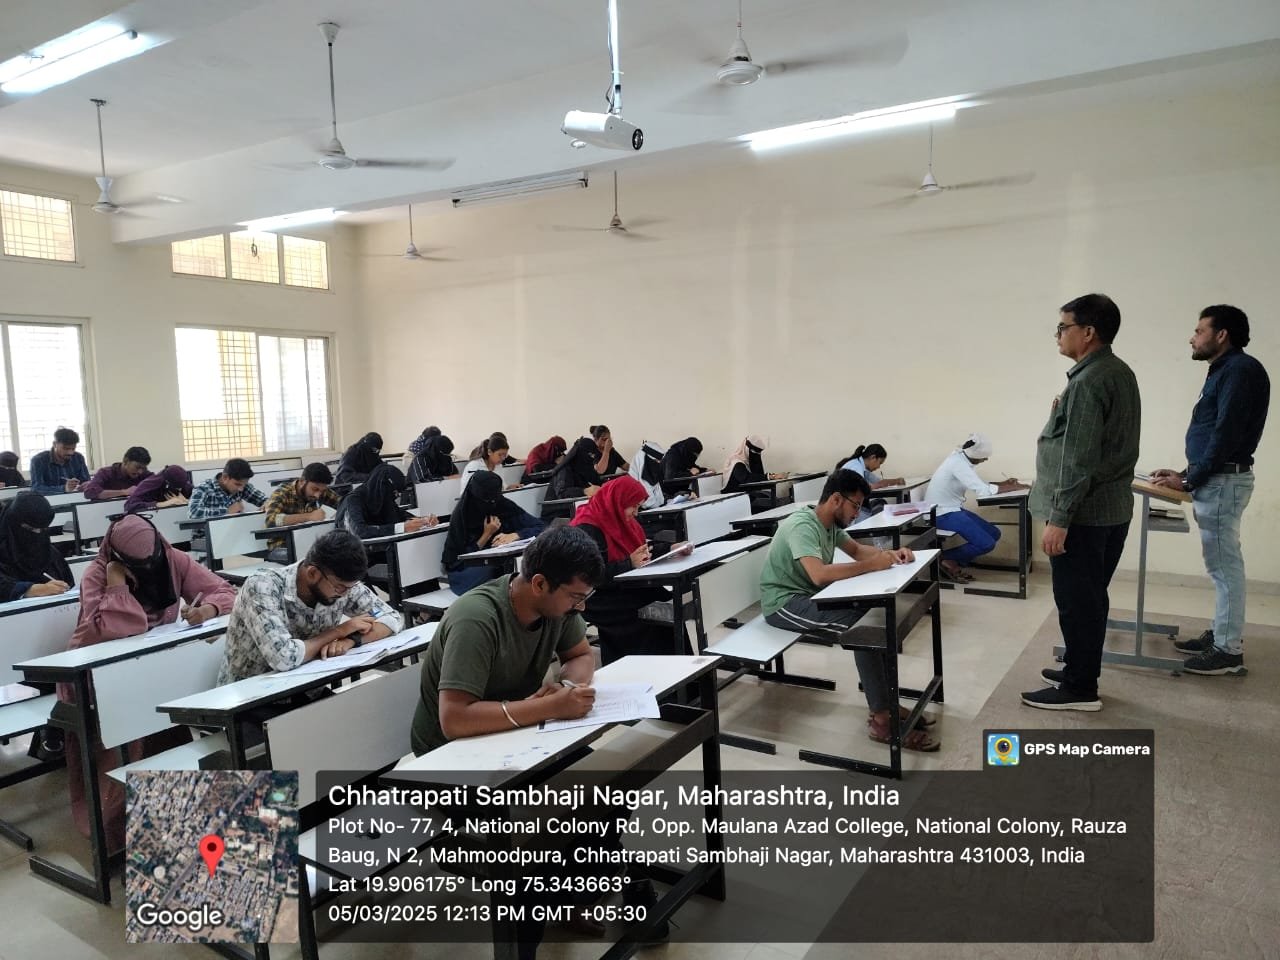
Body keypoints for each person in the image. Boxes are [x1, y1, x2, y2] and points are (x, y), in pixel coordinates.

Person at [410, 526, 662, 951]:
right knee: (536, 840)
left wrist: (565, 687)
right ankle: (536, 927)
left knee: (608, 790)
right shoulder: (478, 618)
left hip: (515, 737)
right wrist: (547, 708)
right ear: (540, 583)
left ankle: (576, 894)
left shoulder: (554, 608)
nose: (579, 607)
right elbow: (454, 720)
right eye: (575, 597)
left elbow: (580, 655)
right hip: (449, 761)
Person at [56, 514, 236, 849]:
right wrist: (117, 585)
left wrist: (209, 609)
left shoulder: (171, 559)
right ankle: (116, 830)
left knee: (170, 733)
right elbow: (108, 630)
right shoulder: (97, 573)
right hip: (95, 678)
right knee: (121, 753)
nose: (151, 566)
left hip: (153, 670)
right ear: (118, 556)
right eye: (139, 563)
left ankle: (173, 809)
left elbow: (224, 590)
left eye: (152, 557)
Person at [760, 469, 936, 750]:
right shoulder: (803, 526)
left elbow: (856, 550)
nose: (857, 513)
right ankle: (881, 718)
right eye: (855, 505)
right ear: (836, 500)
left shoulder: (829, 524)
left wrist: (891, 555)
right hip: (784, 603)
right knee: (863, 630)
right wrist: (872, 565)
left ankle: (886, 704)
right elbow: (819, 575)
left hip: (810, 596)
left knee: (874, 618)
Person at [1023, 293, 1141, 712]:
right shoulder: (1116, 372)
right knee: (1090, 599)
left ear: (1088, 332)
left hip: (1084, 517)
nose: (1057, 334)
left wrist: (1059, 519)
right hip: (1109, 511)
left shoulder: (1089, 382)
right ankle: (1078, 668)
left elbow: (1077, 460)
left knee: (1078, 603)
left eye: (1063, 327)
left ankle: (1079, 688)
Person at [1149, 304, 1269, 676]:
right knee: (1221, 565)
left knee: (1224, 567)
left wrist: (1189, 481)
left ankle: (1228, 650)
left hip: (1223, 482)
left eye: (1199, 330)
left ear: (1221, 335)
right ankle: (1221, 633)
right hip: (1218, 479)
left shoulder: (1240, 371)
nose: (1192, 338)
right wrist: (1186, 472)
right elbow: (1214, 434)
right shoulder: (1225, 370)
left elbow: (1226, 434)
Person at [217, 530, 403, 686]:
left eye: (350, 587)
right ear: (313, 573)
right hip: (251, 696)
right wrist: (339, 631)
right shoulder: (263, 586)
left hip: (306, 689)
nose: (345, 594)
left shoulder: (341, 584)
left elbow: (392, 618)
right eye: (340, 587)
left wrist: (351, 640)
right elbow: (285, 658)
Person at [570, 476, 671, 663]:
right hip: (594, 597)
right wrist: (629, 564)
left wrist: (671, 548)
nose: (636, 513)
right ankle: (638, 670)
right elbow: (590, 576)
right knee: (645, 612)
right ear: (618, 501)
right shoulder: (588, 527)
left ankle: (679, 672)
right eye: (633, 506)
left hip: (619, 585)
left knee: (663, 600)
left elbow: (641, 550)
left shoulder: (622, 518)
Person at [923, 434, 1027, 582]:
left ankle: (951, 561)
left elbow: (979, 484)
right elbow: (983, 491)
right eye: (984, 457)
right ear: (975, 455)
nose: (985, 460)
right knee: (986, 543)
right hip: (939, 514)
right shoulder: (957, 463)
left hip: (952, 510)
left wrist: (1005, 484)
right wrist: (1016, 487)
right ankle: (943, 559)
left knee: (994, 533)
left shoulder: (961, 459)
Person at [443, 472, 545, 596]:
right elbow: (457, 560)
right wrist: (487, 534)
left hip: (500, 563)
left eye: (494, 499)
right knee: (498, 568)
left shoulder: (503, 505)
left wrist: (516, 535)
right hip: (464, 573)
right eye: (486, 500)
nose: (491, 503)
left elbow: (541, 527)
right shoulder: (462, 517)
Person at [0, 492, 74, 602]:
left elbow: (69, 586)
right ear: (12, 524)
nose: (37, 534)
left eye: (43, 530)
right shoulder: (4, 550)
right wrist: (28, 590)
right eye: (30, 529)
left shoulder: (50, 553)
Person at [264, 462, 342, 561]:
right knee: (317, 558)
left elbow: (343, 503)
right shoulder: (282, 493)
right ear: (302, 481)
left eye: (322, 491)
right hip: (282, 547)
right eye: (314, 489)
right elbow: (271, 521)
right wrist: (309, 516)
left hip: (309, 544)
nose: (317, 495)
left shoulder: (321, 491)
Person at [335, 463, 436, 539]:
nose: (396, 497)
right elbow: (359, 531)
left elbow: (400, 516)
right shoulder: (353, 500)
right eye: (395, 492)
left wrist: (423, 521)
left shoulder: (382, 498)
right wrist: (402, 528)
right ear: (383, 487)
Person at [188, 457, 267, 519]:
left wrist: (267, 505)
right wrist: (227, 511)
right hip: (205, 534)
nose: (241, 489)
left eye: (244, 485)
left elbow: (267, 500)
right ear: (225, 477)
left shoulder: (242, 486)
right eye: (237, 484)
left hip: (234, 532)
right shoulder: (204, 488)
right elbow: (193, 513)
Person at [29, 427, 90, 494]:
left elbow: (86, 482)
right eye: (66, 449)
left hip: (76, 498)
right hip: (49, 500)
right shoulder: (38, 461)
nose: (70, 452)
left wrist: (84, 485)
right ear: (55, 444)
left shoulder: (78, 458)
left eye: (73, 449)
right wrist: (64, 488)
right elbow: (36, 489)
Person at [81, 446, 153, 501]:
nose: (140, 471)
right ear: (126, 461)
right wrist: (124, 492)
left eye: (143, 468)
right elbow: (89, 493)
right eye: (137, 467)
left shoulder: (145, 475)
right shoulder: (105, 473)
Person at [124, 464, 191, 514]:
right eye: (177, 488)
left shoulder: (183, 482)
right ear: (167, 483)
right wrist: (160, 504)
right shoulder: (150, 484)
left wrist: (188, 502)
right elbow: (128, 506)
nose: (179, 490)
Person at [839, 444, 904, 491]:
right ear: (873, 457)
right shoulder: (856, 467)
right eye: (880, 463)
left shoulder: (864, 468)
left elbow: (878, 481)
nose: (878, 467)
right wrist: (876, 485)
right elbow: (858, 490)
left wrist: (897, 481)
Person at [628, 441, 669, 509]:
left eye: (659, 462)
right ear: (645, 461)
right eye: (655, 461)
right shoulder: (630, 483)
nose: (657, 464)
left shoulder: (652, 476)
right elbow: (646, 503)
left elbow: (659, 500)